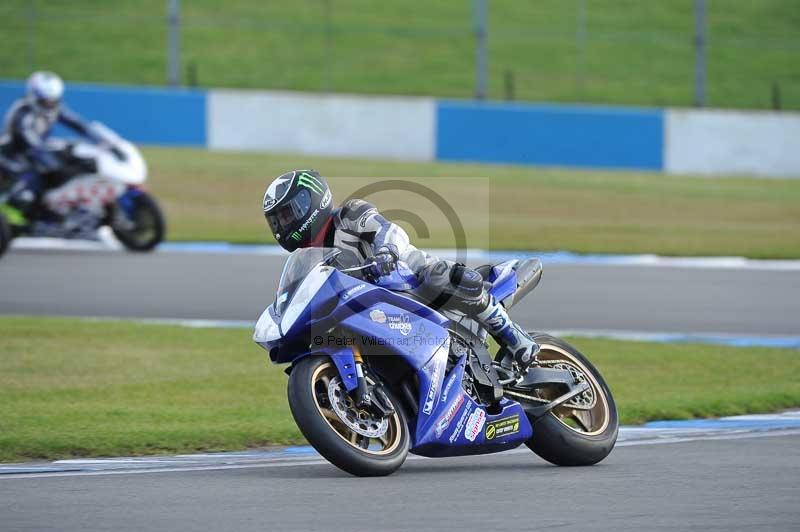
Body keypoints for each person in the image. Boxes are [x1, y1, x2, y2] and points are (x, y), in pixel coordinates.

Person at [262, 169, 540, 374]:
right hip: (370, 309)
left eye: (286, 215)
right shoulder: (306, 259)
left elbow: (389, 230)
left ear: (310, 202)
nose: (281, 226)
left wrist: (386, 253)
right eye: (276, 221)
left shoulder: (349, 216)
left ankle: (516, 340)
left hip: (408, 280)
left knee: (441, 277)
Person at [1, 71, 101, 217]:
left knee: (73, 161)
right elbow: (29, 142)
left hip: (34, 153)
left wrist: (99, 140)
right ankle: (31, 214)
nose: (50, 105)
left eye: (53, 101)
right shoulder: (22, 113)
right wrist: (52, 163)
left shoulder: (55, 109)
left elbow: (77, 124)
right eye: (45, 101)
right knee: (33, 182)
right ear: (34, 96)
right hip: (12, 155)